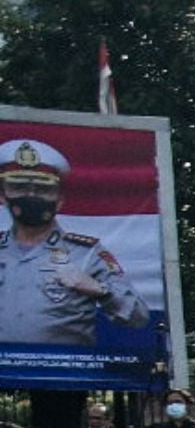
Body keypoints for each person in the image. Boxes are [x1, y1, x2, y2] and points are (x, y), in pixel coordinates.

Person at [0, 138, 148, 350]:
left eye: (43, 190)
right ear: (3, 196)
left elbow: (138, 316)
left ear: (59, 200)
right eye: (20, 188)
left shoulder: (86, 254)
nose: (31, 196)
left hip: (64, 376)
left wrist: (100, 290)